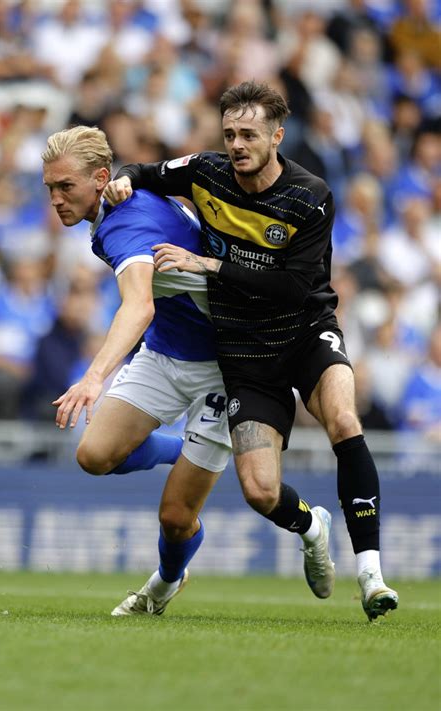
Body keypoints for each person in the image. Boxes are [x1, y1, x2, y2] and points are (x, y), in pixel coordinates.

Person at [103, 80, 399, 621]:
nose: (237, 144)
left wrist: (209, 265)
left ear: (276, 136)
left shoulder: (311, 196)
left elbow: (291, 286)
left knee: (342, 420)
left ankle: (372, 574)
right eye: (230, 133)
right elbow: (145, 172)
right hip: (245, 354)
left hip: (305, 333)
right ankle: (313, 526)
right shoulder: (207, 171)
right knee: (261, 492)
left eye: (249, 134)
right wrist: (121, 180)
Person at [42, 125, 232, 617]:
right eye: (50, 188)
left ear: (100, 178)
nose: (56, 199)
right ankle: (180, 453)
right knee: (94, 454)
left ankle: (166, 584)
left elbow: (139, 306)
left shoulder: (122, 225)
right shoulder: (120, 203)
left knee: (175, 517)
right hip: (169, 349)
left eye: (65, 187)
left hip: (225, 361)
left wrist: (93, 377)